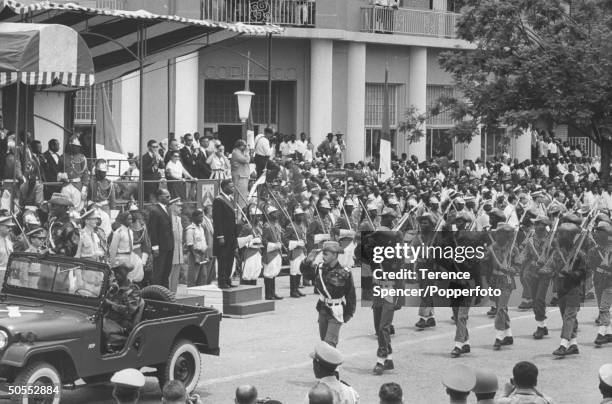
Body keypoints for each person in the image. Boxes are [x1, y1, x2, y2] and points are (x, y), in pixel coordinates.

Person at [314, 241, 356, 347]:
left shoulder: (344, 272)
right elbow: (306, 273)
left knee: (330, 344)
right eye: (323, 253)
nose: (323, 256)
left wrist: (348, 314)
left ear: (334, 255)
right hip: (323, 309)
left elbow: (350, 295)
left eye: (326, 254)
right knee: (324, 343)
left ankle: (329, 363)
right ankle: (324, 363)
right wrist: (306, 261)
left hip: (336, 311)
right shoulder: (319, 268)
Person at [103, 263, 143, 352]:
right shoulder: (113, 287)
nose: (117, 275)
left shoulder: (133, 290)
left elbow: (129, 311)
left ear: (126, 273)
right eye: (116, 273)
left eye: (120, 273)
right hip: (109, 319)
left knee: (98, 326)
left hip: (122, 324)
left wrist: (111, 304)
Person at [213, 180, 238, 289]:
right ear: (224, 187)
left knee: (230, 259)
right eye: (231, 186)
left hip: (232, 235)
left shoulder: (231, 200)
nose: (233, 188)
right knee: (223, 259)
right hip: (223, 235)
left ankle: (228, 279)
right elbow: (217, 220)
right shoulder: (218, 200)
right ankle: (222, 281)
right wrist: (220, 236)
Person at [147, 188, 174, 288]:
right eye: (167, 196)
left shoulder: (166, 209)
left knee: (166, 272)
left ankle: (165, 294)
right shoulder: (155, 210)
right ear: (160, 197)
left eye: (169, 196)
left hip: (169, 245)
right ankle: (156, 294)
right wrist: (155, 247)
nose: (169, 198)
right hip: (160, 247)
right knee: (158, 272)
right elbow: (153, 230)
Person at [185, 209, 209, 287]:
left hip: (202, 254)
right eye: (200, 217)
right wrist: (195, 257)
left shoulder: (201, 228)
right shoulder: (190, 229)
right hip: (194, 254)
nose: (202, 218)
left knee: (203, 276)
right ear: (194, 217)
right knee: (193, 276)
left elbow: (203, 242)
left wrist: (206, 255)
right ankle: (191, 296)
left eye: (202, 216)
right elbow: (190, 244)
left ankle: (200, 295)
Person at [168, 197, 184, 293]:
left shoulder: (179, 219)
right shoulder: (169, 219)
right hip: (171, 251)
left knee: (176, 276)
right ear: (172, 207)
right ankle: (168, 295)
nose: (180, 208)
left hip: (178, 252)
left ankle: (173, 294)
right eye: (178, 206)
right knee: (169, 274)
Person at [231, 139, 251, 210]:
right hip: (239, 176)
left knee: (243, 195)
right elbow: (246, 160)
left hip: (242, 176)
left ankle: (241, 209)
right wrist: (247, 152)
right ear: (239, 146)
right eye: (244, 146)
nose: (246, 147)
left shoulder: (240, 152)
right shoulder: (236, 152)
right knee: (240, 195)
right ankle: (239, 210)